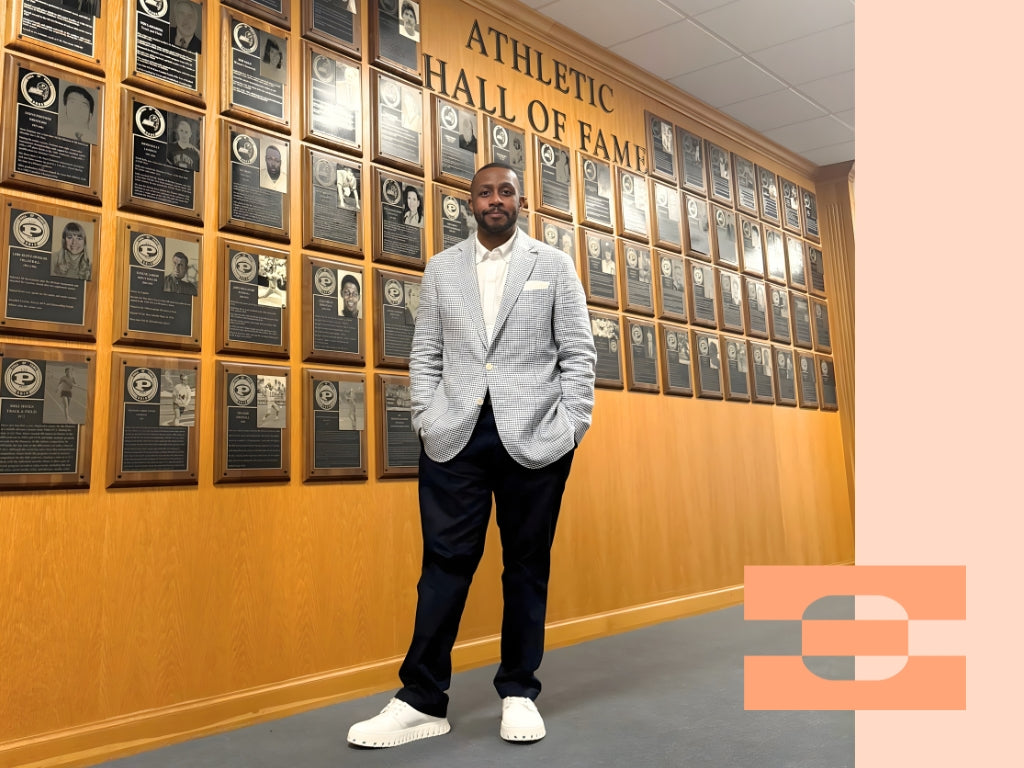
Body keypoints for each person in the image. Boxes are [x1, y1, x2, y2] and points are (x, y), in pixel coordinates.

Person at [347, 162, 596, 749]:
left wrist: (570, 427)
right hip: (454, 435)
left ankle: (518, 691)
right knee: (443, 564)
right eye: (485, 192)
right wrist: (426, 417)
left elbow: (579, 355)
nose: (495, 200)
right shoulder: (442, 268)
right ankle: (421, 699)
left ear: (520, 201)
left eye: (506, 191)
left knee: (526, 565)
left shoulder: (552, 265)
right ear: (470, 203)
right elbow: (425, 353)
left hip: (535, 436)